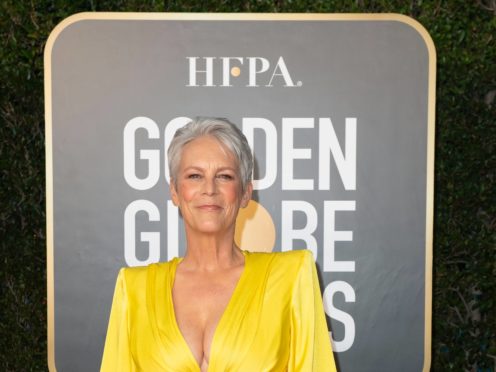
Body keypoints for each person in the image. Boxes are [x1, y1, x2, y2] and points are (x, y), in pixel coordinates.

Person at [100, 117, 337, 371]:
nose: (209, 189)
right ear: (175, 192)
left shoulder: (291, 275)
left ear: (246, 192)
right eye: (194, 176)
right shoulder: (133, 287)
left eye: (224, 176)